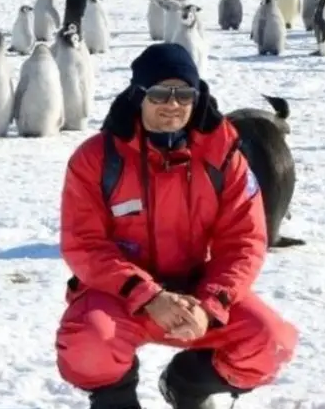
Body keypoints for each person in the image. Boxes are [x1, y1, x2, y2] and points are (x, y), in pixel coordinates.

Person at [55, 43, 298, 409]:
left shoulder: (223, 156)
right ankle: (117, 400)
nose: (173, 103)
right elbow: (84, 244)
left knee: (270, 341)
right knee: (89, 342)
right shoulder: (97, 158)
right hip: (119, 292)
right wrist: (148, 296)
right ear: (139, 95)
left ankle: (188, 384)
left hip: (198, 290)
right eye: (159, 93)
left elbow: (244, 241)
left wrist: (209, 304)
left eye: (184, 93)